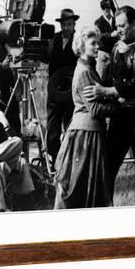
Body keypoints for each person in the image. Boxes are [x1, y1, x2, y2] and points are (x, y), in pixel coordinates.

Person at [83, 5, 135, 205]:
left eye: (123, 26)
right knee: (107, 170)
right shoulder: (116, 48)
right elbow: (110, 79)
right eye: (116, 26)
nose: (119, 30)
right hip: (119, 118)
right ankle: (103, 214)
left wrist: (110, 91)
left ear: (134, 24)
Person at [54, 28, 121, 209]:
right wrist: (118, 106)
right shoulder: (83, 71)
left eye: (97, 43)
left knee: (90, 185)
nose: (97, 46)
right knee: (81, 185)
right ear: (82, 46)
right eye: (93, 43)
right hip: (85, 135)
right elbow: (95, 109)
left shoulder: (89, 68)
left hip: (91, 132)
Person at [41, 8, 79, 164]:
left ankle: (70, 159)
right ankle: (54, 160)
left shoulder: (79, 40)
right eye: (64, 24)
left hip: (71, 91)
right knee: (53, 128)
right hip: (55, 91)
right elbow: (44, 58)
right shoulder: (54, 39)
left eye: (69, 24)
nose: (66, 28)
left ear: (74, 24)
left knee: (70, 125)